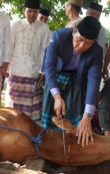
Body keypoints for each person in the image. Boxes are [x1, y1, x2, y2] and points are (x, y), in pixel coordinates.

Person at [41, 16, 102, 147]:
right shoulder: (59, 36)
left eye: (88, 43)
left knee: (75, 117)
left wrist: (88, 116)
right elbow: (49, 67)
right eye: (79, 40)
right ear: (73, 32)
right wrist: (57, 97)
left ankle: (68, 145)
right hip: (56, 76)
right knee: (51, 112)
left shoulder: (97, 51)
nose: (82, 46)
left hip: (76, 80)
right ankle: (47, 143)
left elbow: (94, 81)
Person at [5, 0, 50, 123]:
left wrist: (43, 70)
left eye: (35, 12)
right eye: (29, 11)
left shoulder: (44, 28)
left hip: (33, 72)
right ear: (24, 11)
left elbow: (46, 50)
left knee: (31, 114)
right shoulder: (16, 24)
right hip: (16, 71)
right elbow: (10, 46)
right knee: (12, 109)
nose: (32, 14)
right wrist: (6, 66)